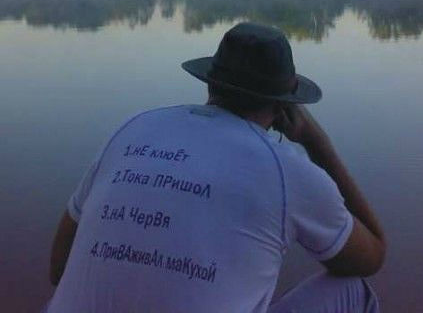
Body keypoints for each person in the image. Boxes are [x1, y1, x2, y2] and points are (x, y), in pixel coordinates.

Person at [46, 22, 386, 313]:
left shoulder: (133, 129)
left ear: (210, 83)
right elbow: (372, 255)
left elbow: (59, 267)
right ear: (284, 105)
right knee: (355, 291)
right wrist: (316, 142)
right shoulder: (288, 172)